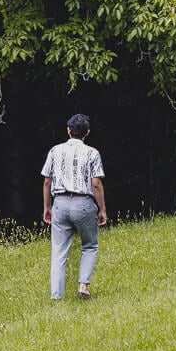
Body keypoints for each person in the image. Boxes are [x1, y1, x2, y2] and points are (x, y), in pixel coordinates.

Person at [41, 113, 107, 300]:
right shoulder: (93, 153)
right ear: (87, 133)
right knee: (89, 245)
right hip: (83, 203)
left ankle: (56, 296)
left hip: (60, 203)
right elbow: (95, 184)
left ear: (68, 130)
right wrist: (102, 209)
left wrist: (47, 207)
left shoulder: (55, 151)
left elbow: (47, 181)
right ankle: (83, 286)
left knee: (59, 251)